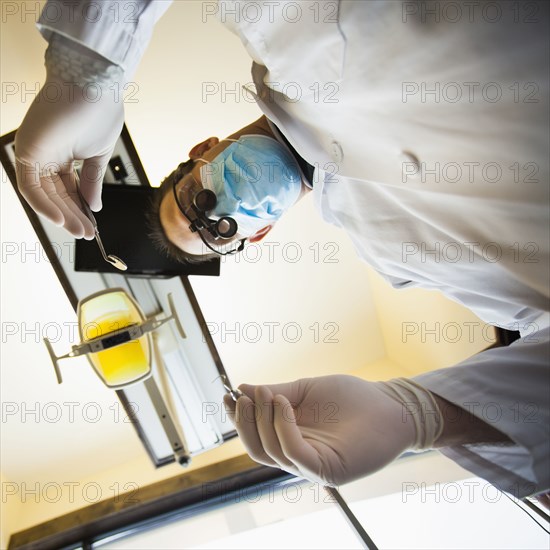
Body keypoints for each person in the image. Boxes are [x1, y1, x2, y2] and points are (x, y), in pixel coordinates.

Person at [14, 1, 549, 500]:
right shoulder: (396, 258)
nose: (215, 211)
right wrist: (420, 414)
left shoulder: (274, 28)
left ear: (202, 152)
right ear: (258, 234)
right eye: (217, 231)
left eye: (193, 200)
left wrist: (84, 68)